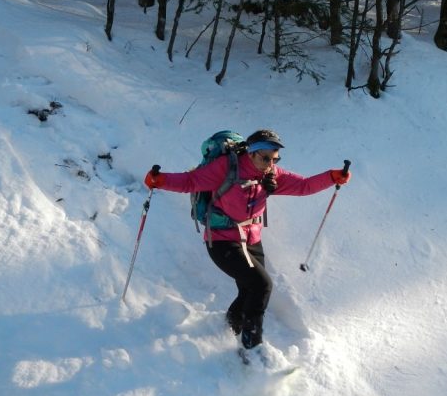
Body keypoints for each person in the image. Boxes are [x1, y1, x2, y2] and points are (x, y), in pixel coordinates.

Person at [143, 129, 351, 352]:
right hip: (222, 240)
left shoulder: (270, 174)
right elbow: (190, 181)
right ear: (250, 153)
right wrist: (160, 180)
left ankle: (229, 329)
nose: (271, 163)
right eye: (266, 158)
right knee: (261, 285)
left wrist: (332, 176)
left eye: (275, 159)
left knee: (248, 290)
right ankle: (252, 348)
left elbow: (303, 186)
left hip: (251, 239)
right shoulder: (225, 168)